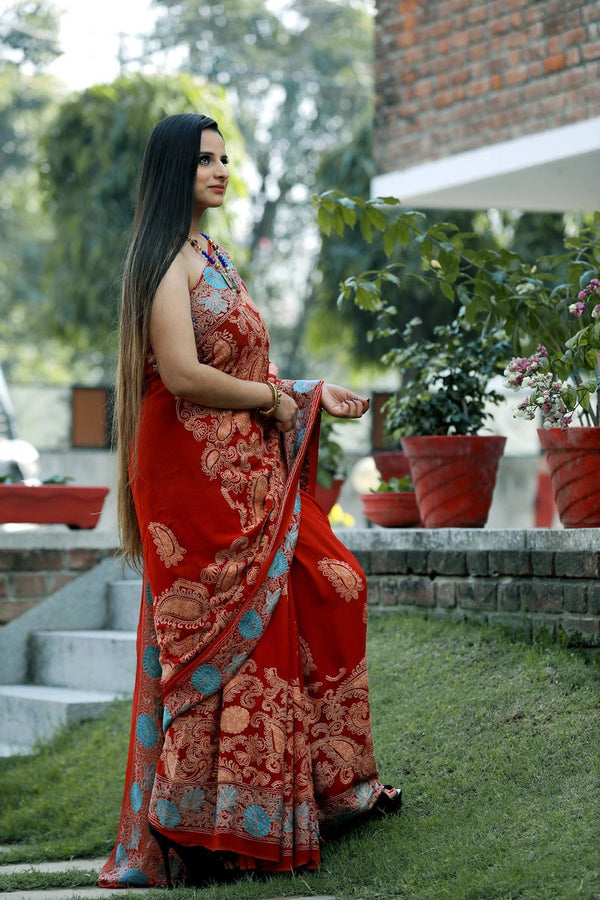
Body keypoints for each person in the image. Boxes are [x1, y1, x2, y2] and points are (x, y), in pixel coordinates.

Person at [99, 112, 401, 890]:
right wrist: (275, 399)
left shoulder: (213, 256)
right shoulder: (161, 261)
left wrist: (307, 391)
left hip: (249, 472)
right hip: (190, 485)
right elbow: (184, 374)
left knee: (335, 584)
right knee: (226, 643)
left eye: (225, 159)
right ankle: (210, 832)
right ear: (174, 170)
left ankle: (334, 787)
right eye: (205, 160)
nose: (221, 170)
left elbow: (242, 371)